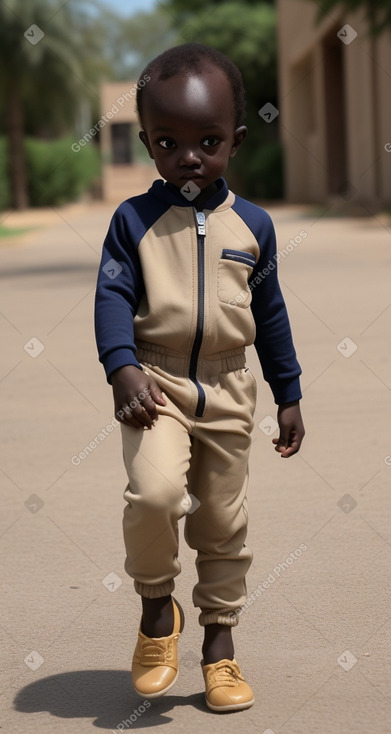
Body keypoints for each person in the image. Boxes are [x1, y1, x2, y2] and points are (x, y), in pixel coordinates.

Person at [94, 42, 305, 712]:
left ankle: (220, 646)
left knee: (221, 520)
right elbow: (109, 299)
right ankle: (158, 608)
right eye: (167, 142)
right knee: (152, 497)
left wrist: (288, 393)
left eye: (207, 141)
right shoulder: (133, 222)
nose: (188, 157)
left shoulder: (255, 227)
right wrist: (122, 368)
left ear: (235, 141)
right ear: (151, 145)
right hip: (153, 387)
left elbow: (269, 316)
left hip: (230, 389)